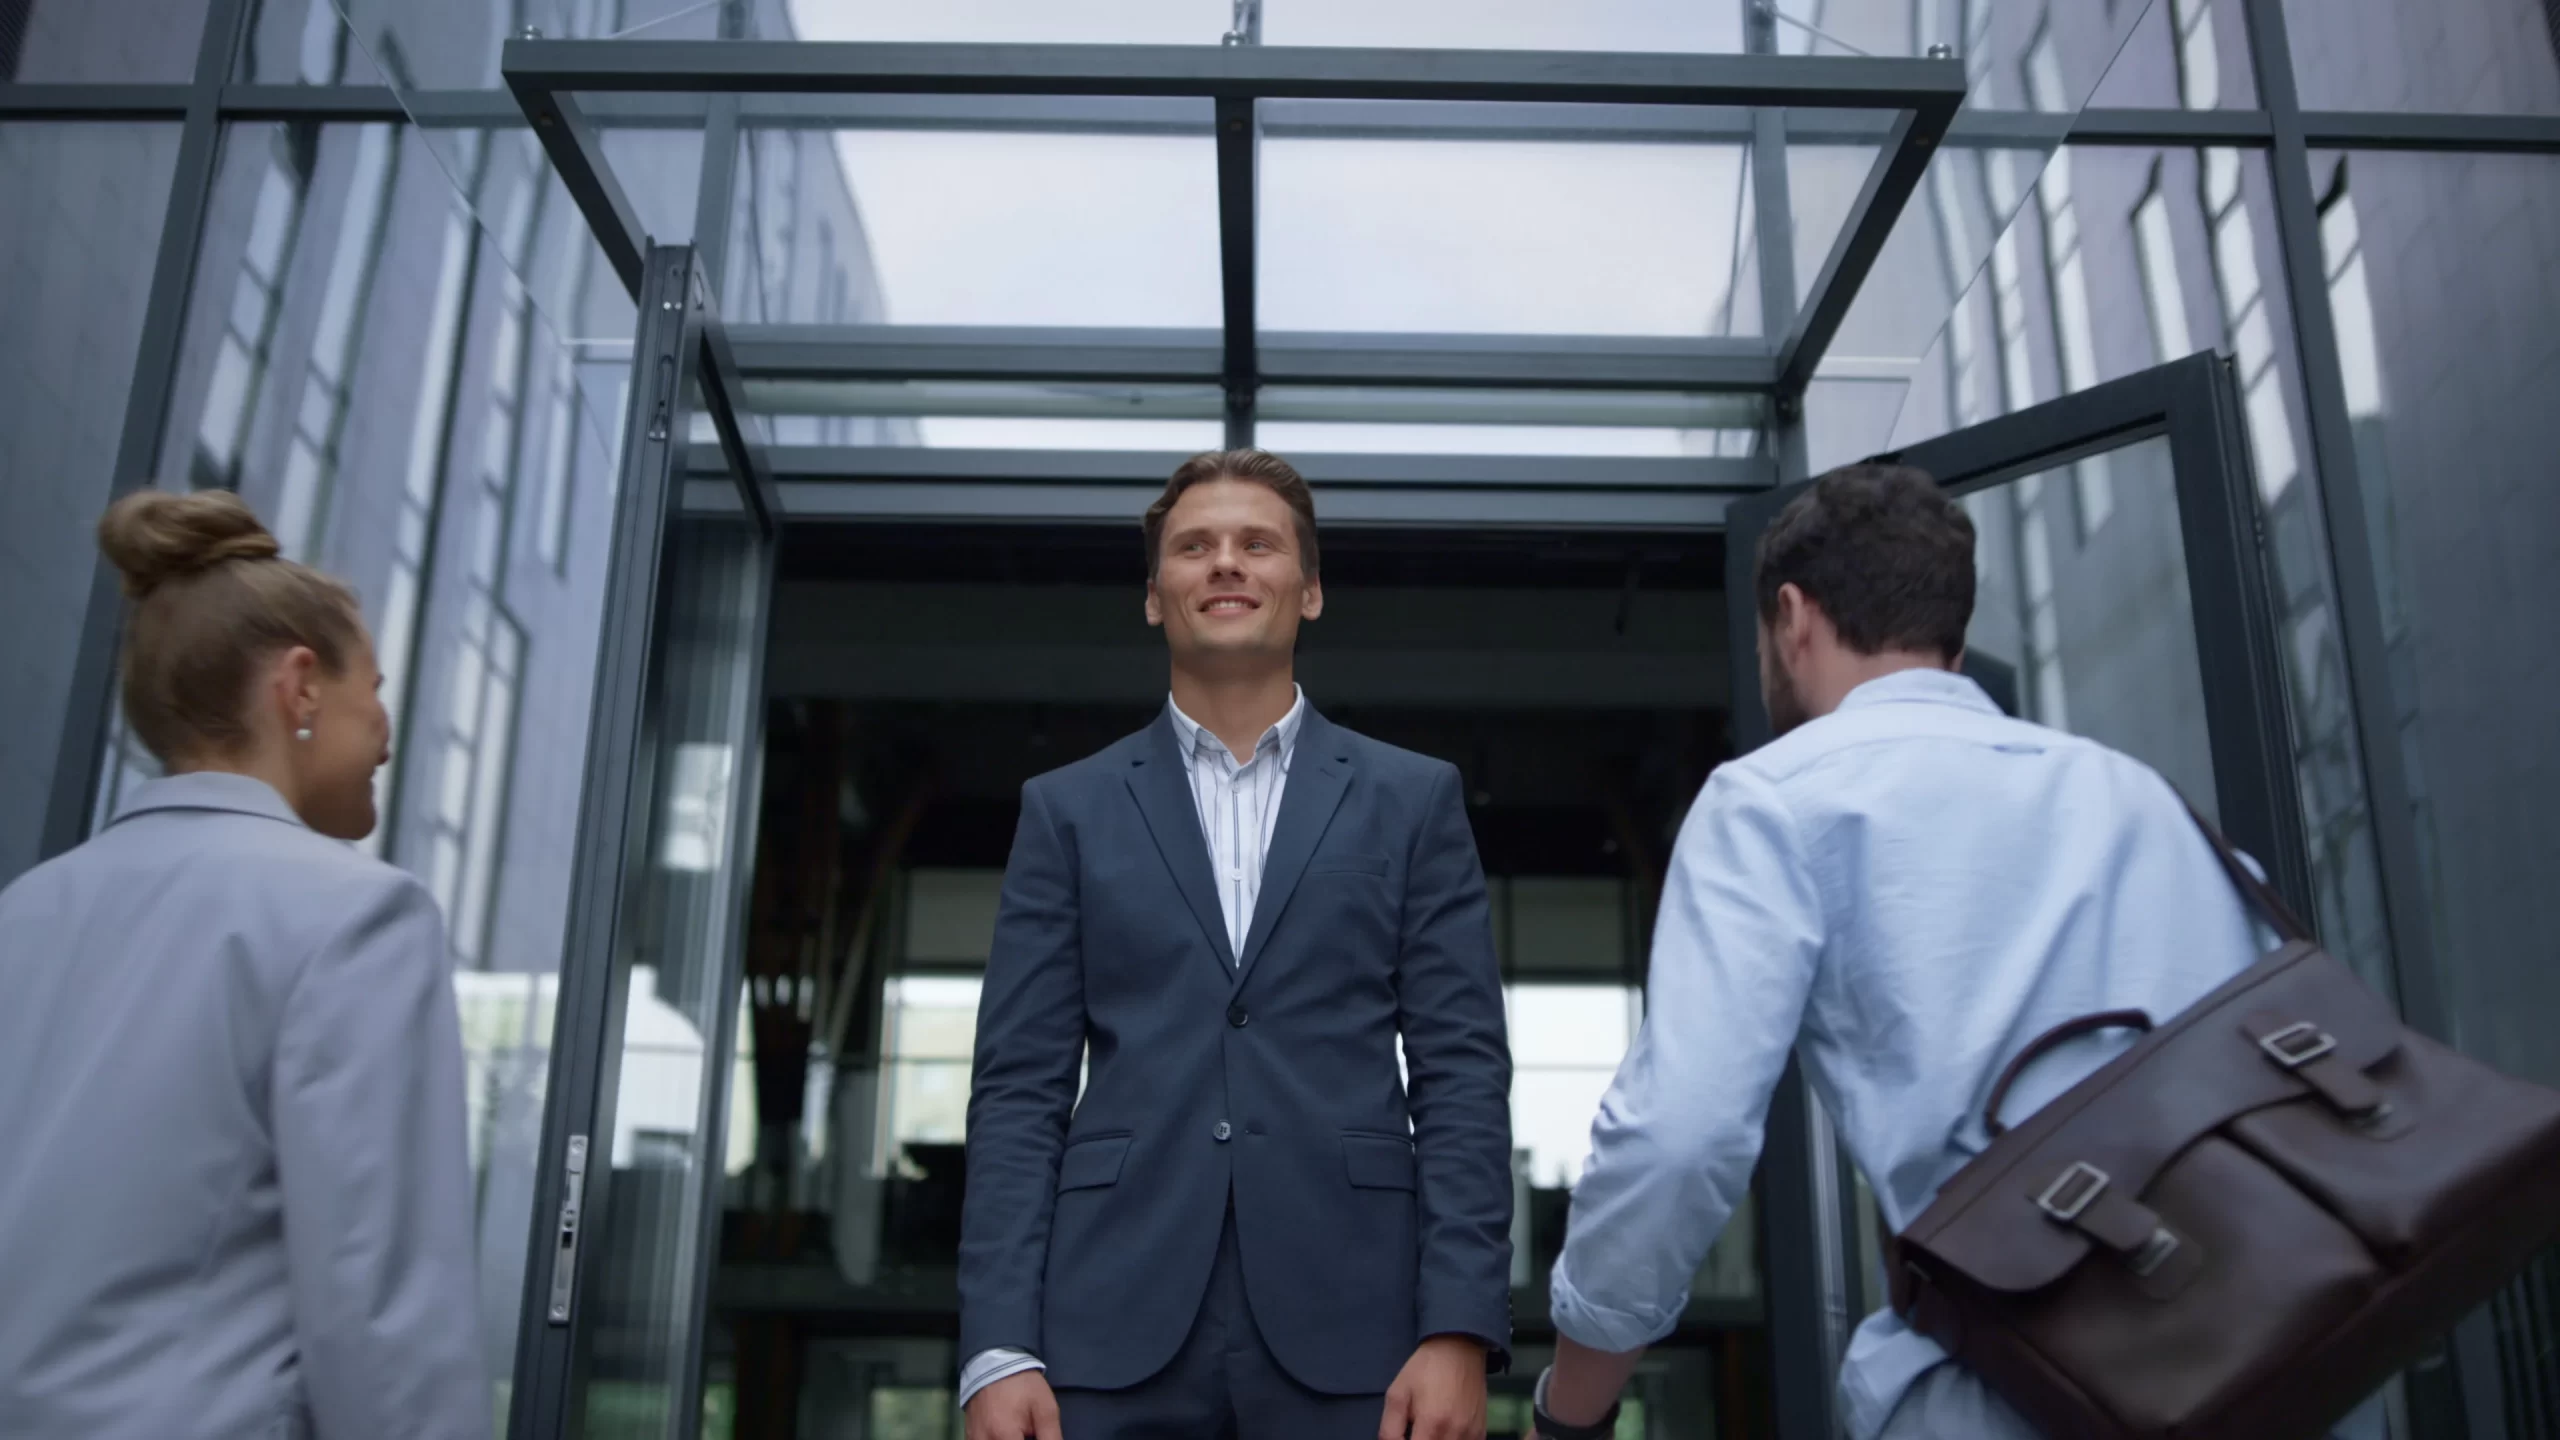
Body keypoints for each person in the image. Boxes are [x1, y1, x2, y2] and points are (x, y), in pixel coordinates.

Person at [1525, 464, 2380, 1440]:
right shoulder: (2139, 795)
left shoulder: (1774, 801)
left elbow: (1679, 1139)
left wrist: (1573, 1411)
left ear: (1792, 617)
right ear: (1954, 640)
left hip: (2016, 1387)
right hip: (2273, 1362)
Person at [957, 450, 1514, 1440]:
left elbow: (1461, 1074)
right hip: (1106, 1330)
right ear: (1151, 596)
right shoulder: (1066, 811)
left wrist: (1460, 1327)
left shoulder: (1412, 799)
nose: (1225, 564)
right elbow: (1018, 1090)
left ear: (1308, 592)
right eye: (1193, 547)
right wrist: (999, 1345)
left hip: (1363, 1335)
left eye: (1257, 544)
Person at [0, 490, 489, 1439]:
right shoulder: (357, 916)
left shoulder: (23, 913)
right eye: (374, 687)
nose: (386, 726)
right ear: (300, 685)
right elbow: (382, 1318)